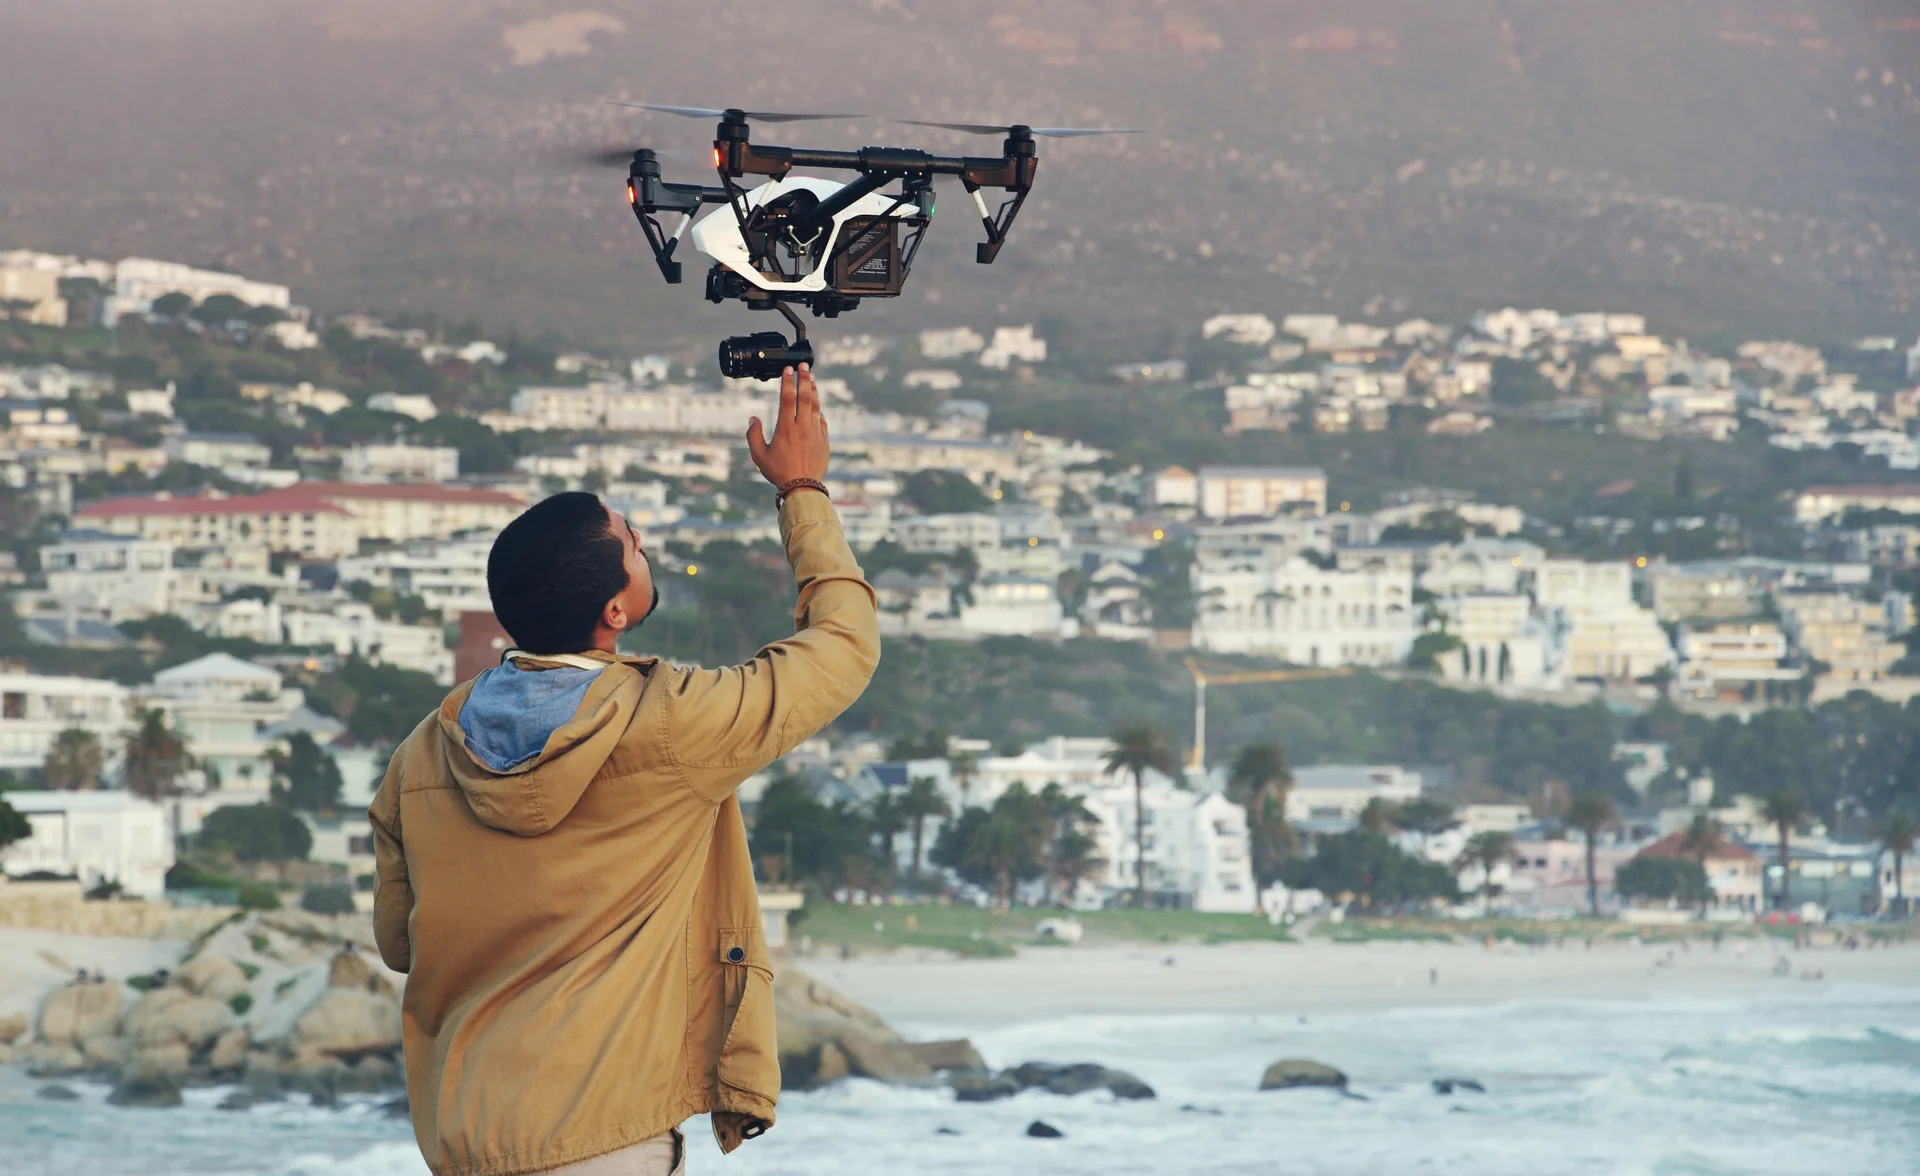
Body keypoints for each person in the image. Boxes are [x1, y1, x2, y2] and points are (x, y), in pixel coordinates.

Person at [369, 365, 878, 1176]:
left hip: (467, 1139)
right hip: (603, 1139)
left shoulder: (422, 753)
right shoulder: (668, 724)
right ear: (615, 610)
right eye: (636, 546)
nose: (646, 551)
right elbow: (843, 646)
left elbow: (400, 942)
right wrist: (803, 489)